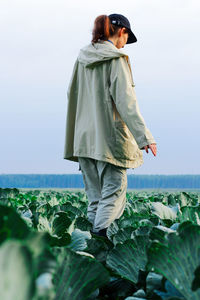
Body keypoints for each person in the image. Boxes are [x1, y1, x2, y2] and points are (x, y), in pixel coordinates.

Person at [63, 13, 157, 239]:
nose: (125, 44)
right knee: (113, 195)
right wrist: (145, 137)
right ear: (121, 32)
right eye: (126, 38)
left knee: (95, 199)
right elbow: (126, 102)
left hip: (84, 139)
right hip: (109, 141)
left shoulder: (82, 58)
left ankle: (91, 251)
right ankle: (102, 244)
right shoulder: (116, 59)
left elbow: (71, 94)